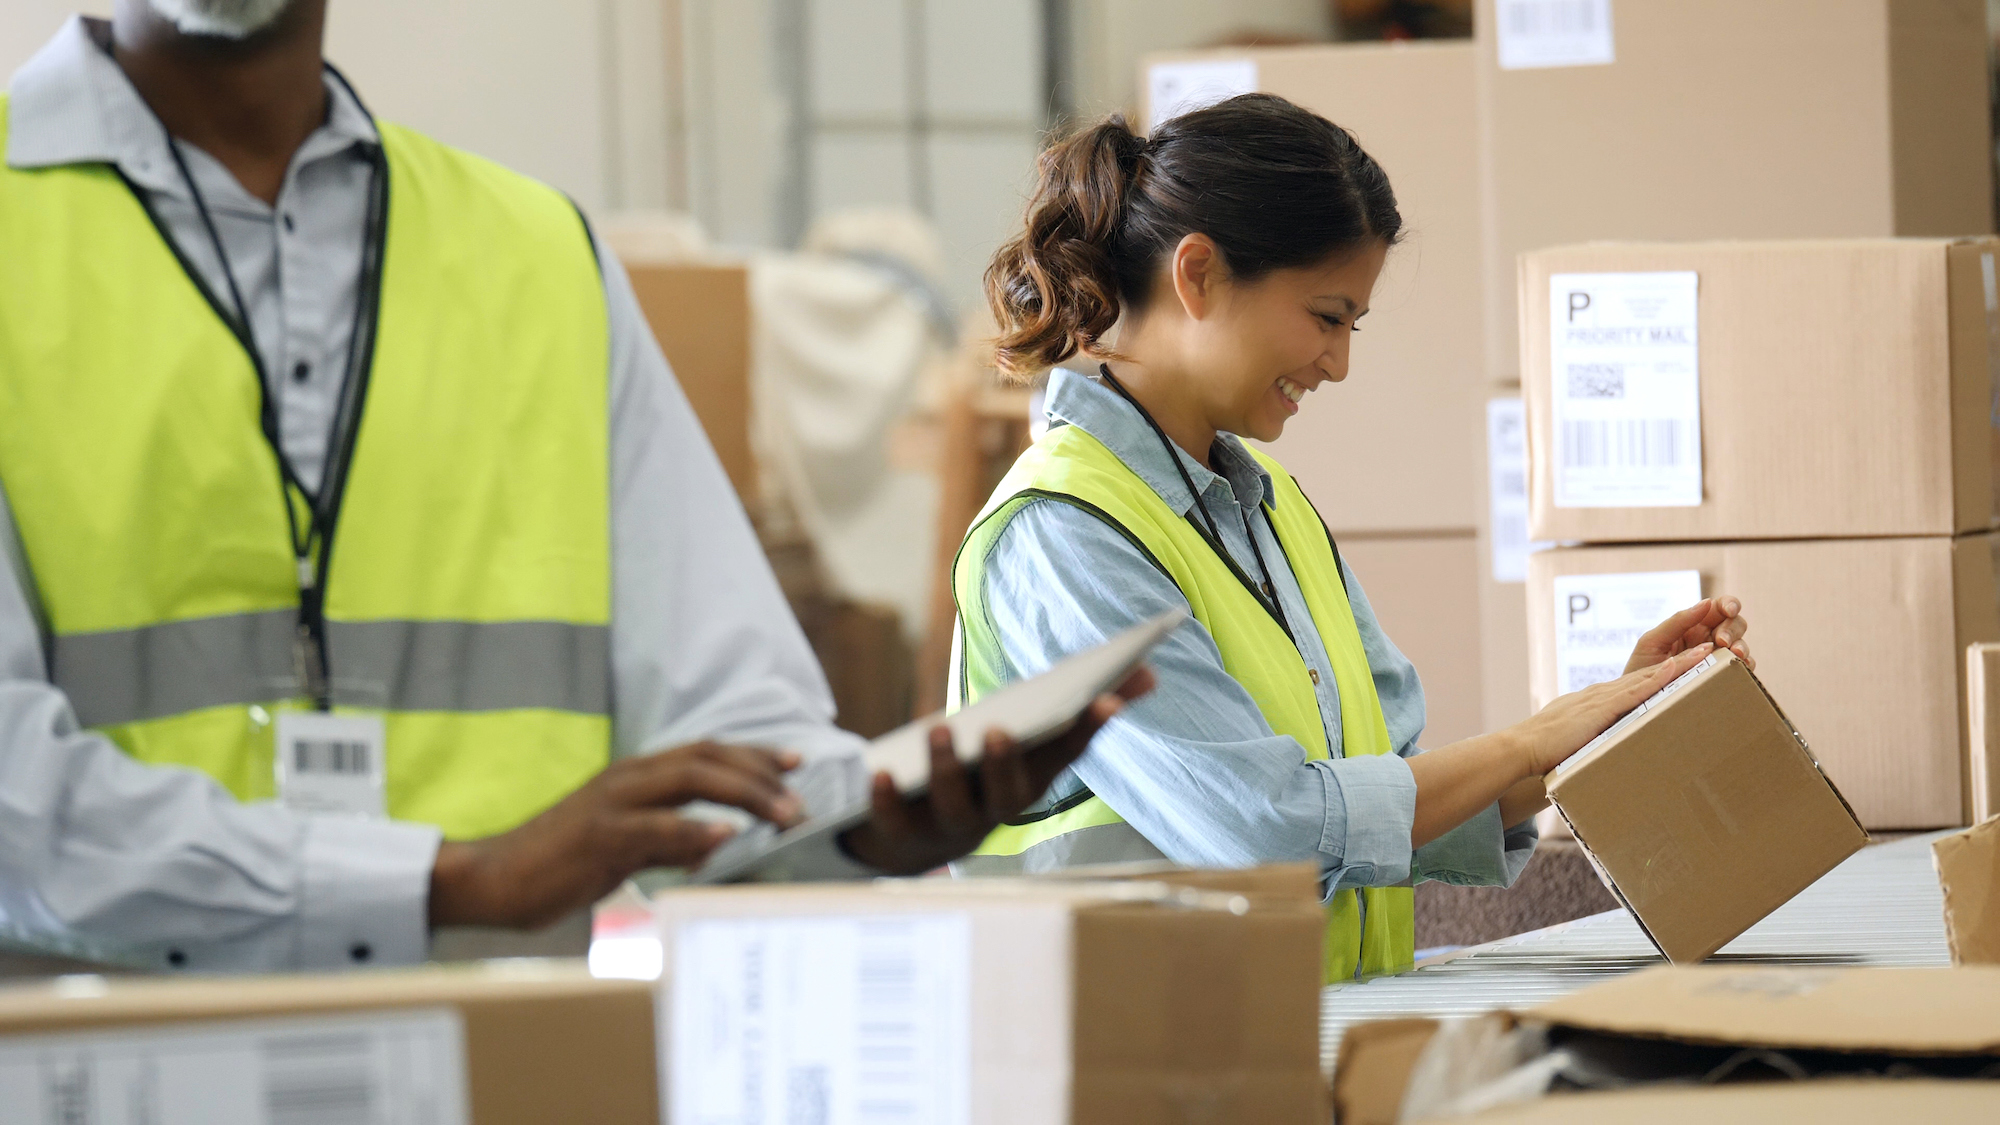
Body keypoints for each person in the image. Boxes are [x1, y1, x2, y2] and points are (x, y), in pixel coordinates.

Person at [0, 0, 1149, 972]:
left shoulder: (535, 254)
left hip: (496, 1066)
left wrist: (858, 826)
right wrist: (450, 881)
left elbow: (727, 719)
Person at [947, 94, 1753, 981]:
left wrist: (1604, 723)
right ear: (1200, 274)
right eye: (1327, 316)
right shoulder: (1061, 534)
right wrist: (1529, 738)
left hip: (1302, 1047)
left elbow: (1395, 796)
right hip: (1125, 1075)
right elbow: (1261, 827)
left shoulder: (1272, 509)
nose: (1338, 362)